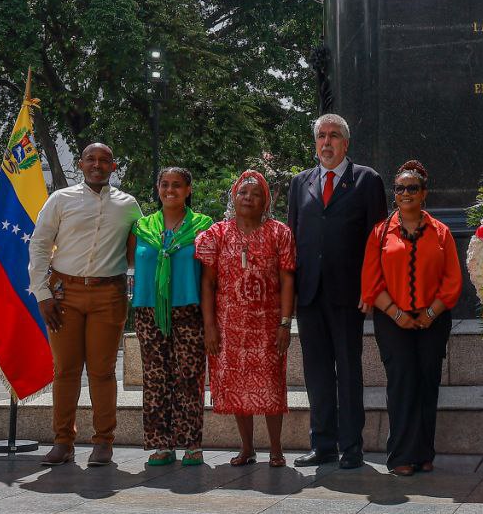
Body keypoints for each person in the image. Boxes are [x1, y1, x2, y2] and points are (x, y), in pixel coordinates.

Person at [29, 143, 143, 467]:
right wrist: (42, 294)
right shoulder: (60, 200)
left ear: (113, 165)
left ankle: (103, 442)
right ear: (80, 164)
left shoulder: (129, 205)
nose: (97, 165)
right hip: (64, 294)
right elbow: (39, 245)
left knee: (102, 372)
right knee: (65, 371)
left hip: (109, 295)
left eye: (104, 160)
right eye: (91, 159)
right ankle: (63, 441)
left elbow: (143, 248)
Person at [287, 114, 387, 469]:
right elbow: (292, 239)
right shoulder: (300, 183)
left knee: (348, 370)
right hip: (310, 294)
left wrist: (371, 287)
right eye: (321, 136)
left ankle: (352, 446)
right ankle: (323, 443)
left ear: (346, 143)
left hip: (349, 295)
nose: (326, 143)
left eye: (333, 136)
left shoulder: (366, 180)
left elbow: (379, 240)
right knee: (316, 372)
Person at [361, 161, 462, 476]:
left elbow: (452, 279)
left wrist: (431, 312)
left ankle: (424, 453)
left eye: (412, 188)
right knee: (402, 382)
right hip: (393, 322)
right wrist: (396, 313)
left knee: (427, 383)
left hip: (433, 321)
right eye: (400, 188)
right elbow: (370, 282)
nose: (406, 193)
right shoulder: (380, 233)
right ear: (395, 195)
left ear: (424, 194)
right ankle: (401, 455)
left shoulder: (441, 231)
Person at [197, 170, 296, 467]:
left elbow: (287, 280)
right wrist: (210, 326)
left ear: (265, 200)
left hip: (266, 324)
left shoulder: (279, 233)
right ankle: (247, 448)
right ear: (234, 197)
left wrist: (284, 323)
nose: (248, 198)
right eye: (243, 193)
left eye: (255, 194)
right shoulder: (217, 234)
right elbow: (208, 284)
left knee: (270, 384)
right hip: (230, 325)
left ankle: (276, 449)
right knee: (238, 385)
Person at [128, 167, 213, 467]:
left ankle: (192, 443)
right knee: (155, 378)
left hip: (188, 310)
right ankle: (161, 445)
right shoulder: (141, 227)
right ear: (157, 188)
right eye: (165, 184)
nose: (170, 190)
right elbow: (130, 260)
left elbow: (210, 274)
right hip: (149, 310)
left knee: (189, 377)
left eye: (177, 185)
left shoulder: (203, 226)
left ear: (188, 190)